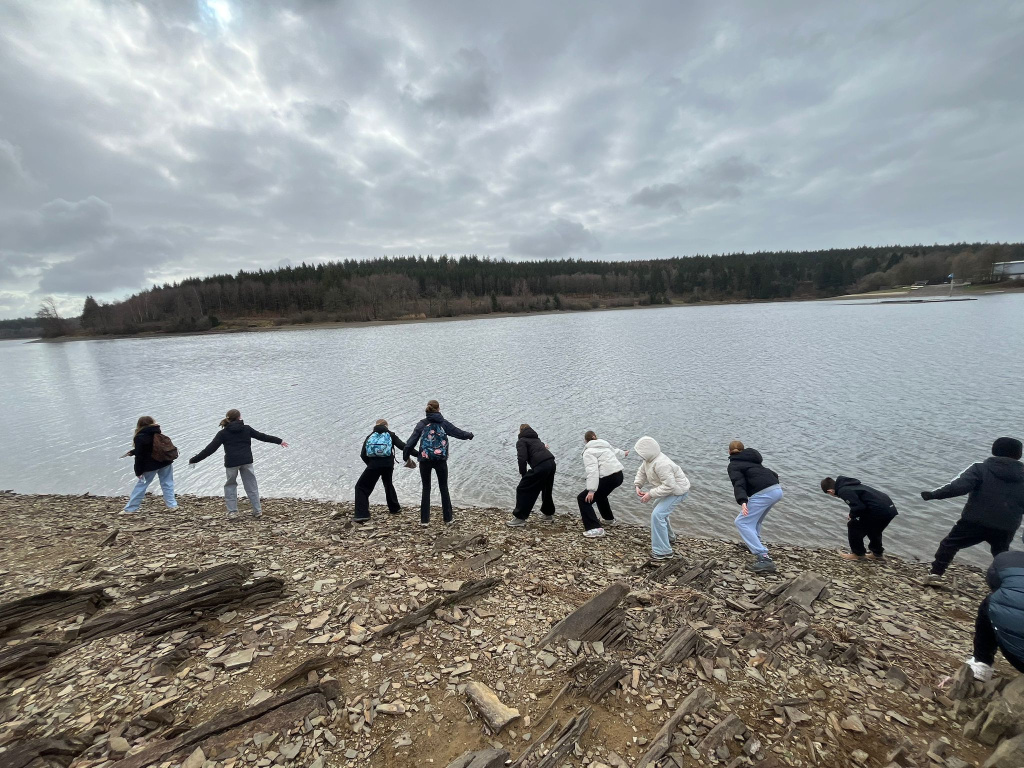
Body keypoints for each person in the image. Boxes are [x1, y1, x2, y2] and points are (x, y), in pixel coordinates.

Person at [922, 437, 1024, 587]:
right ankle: (1006, 584)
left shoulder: (980, 468)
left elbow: (958, 487)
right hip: (1006, 526)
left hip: (975, 520)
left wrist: (933, 494)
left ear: (994, 450)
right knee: (1001, 555)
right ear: (1019, 455)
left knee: (949, 544)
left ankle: (936, 574)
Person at [188, 409, 289, 519]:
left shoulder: (223, 433)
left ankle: (233, 512)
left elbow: (210, 449)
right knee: (251, 486)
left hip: (232, 463)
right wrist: (279, 441)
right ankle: (257, 511)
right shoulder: (247, 429)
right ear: (239, 417)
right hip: (247, 461)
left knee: (230, 486)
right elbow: (263, 436)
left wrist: (194, 459)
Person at [403, 400, 473, 527]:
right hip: (440, 460)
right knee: (443, 487)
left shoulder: (422, 424)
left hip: (425, 460)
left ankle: (424, 521)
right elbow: (457, 432)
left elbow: (410, 442)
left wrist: (406, 456)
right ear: (439, 409)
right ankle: (448, 518)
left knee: (426, 488)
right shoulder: (443, 423)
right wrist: (469, 435)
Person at [964, 550, 1024, 681]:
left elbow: (993, 583)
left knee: (992, 602)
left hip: (1018, 658)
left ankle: (982, 664)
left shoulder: (1008, 558)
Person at [727, 440, 783, 574]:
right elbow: (771, 473)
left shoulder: (734, 464)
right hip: (776, 489)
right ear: (743, 450)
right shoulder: (753, 459)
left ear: (729, 452)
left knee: (741, 522)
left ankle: (764, 557)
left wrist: (742, 501)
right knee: (756, 520)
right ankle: (754, 543)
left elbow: (738, 483)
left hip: (764, 493)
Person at [633, 436, 690, 561]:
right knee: (658, 511)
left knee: (657, 515)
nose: (640, 456)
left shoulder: (662, 464)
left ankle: (663, 551)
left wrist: (650, 494)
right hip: (669, 489)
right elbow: (641, 472)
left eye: (641, 453)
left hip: (678, 491)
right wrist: (638, 485)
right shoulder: (648, 460)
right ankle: (670, 537)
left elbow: (670, 486)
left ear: (648, 451)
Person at [821, 476, 899, 561]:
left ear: (830, 491)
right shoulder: (849, 485)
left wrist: (852, 515)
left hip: (878, 510)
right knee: (874, 530)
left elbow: (859, 507)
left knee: (853, 525)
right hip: (889, 508)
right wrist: (854, 514)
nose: (832, 495)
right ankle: (877, 554)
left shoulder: (843, 491)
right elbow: (861, 506)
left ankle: (858, 554)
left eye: (830, 494)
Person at [576, 431, 629, 539]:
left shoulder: (588, 452)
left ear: (585, 441)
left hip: (609, 477)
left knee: (583, 499)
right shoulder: (605, 445)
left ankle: (595, 528)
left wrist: (591, 490)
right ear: (595, 437)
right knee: (601, 495)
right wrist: (624, 453)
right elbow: (616, 451)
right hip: (619, 476)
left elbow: (592, 471)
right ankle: (609, 519)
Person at [121, 416, 178, 513]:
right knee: (167, 483)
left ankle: (130, 509)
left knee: (141, 486)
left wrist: (138, 471)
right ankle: (172, 505)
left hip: (150, 466)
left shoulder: (140, 437)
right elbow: (152, 448)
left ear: (139, 425)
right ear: (152, 423)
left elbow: (140, 455)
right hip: (165, 462)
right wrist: (133, 452)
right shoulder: (157, 432)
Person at [354, 419, 407, 522]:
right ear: (386, 426)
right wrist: (419, 454)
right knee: (388, 483)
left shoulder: (370, 436)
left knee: (361, 487)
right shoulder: (391, 435)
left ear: (375, 426)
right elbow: (403, 446)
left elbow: (363, 454)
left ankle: (362, 514)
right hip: (388, 465)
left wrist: (370, 464)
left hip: (374, 466)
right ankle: (395, 508)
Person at [506, 424, 557, 527]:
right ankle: (548, 515)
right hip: (551, 463)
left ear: (520, 432)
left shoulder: (521, 441)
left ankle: (520, 518)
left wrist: (524, 474)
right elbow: (543, 447)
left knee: (522, 488)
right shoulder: (537, 440)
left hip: (541, 465)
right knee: (547, 488)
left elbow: (522, 458)